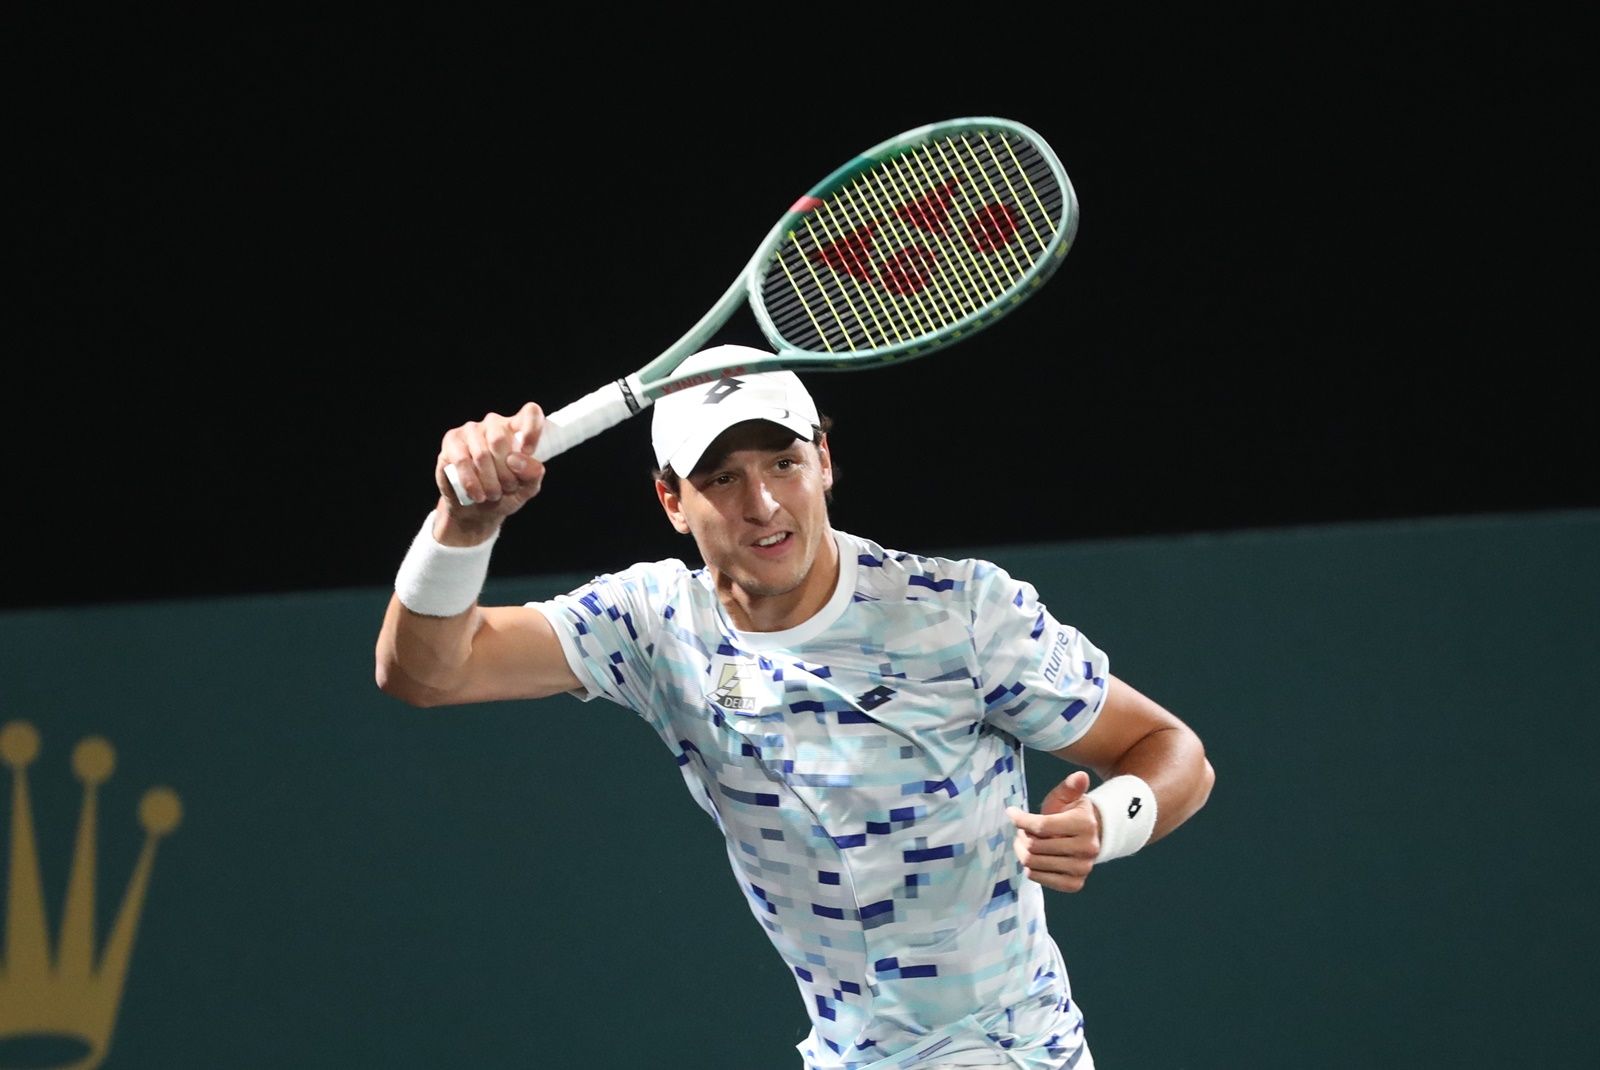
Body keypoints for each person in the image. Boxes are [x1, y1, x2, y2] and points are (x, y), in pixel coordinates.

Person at [376, 344, 1215, 1069]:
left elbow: (1171, 749)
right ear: (672, 501)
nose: (763, 504)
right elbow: (426, 673)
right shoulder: (655, 626)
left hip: (1006, 1050)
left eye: (783, 463)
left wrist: (1111, 821)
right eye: (723, 478)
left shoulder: (960, 613)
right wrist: (463, 521)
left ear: (824, 460)